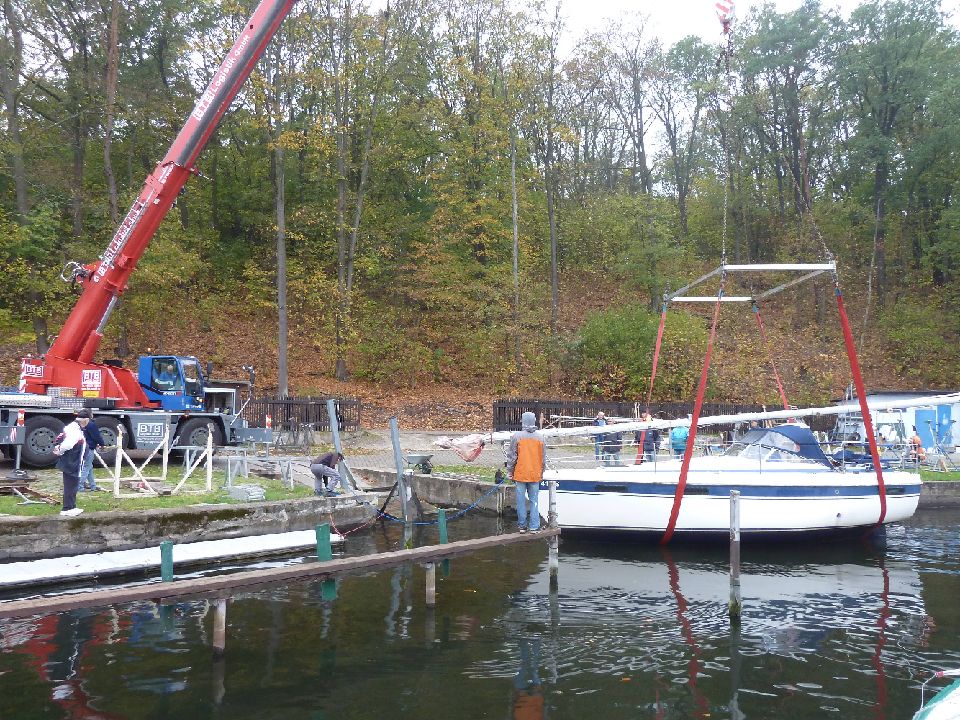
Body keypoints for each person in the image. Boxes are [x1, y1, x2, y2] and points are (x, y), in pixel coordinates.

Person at [507, 411, 546, 534]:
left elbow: (512, 457)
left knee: (521, 502)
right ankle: (534, 526)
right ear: (534, 421)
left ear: (523, 421)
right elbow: (543, 458)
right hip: (535, 474)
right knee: (534, 501)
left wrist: (510, 471)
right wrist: (542, 472)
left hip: (520, 474)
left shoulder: (517, 436)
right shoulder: (540, 437)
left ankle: (522, 526)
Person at [53, 409, 89, 517]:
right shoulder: (74, 430)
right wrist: (60, 451)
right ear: (86, 420)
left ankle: (72, 506)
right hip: (72, 462)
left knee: (72, 484)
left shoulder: (75, 428)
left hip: (74, 461)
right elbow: (68, 445)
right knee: (71, 485)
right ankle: (67, 508)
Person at [512, 637, 544, 720]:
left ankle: (531, 640)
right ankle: (530, 640)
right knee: (530, 665)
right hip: (526, 695)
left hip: (525, 694)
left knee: (532, 665)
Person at [79, 412, 106, 491]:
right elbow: (97, 436)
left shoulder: (80, 425)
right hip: (89, 448)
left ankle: (93, 486)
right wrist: (102, 444)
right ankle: (79, 486)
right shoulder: (91, 425)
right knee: (86, 467)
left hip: (82, 447)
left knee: (89, 467)